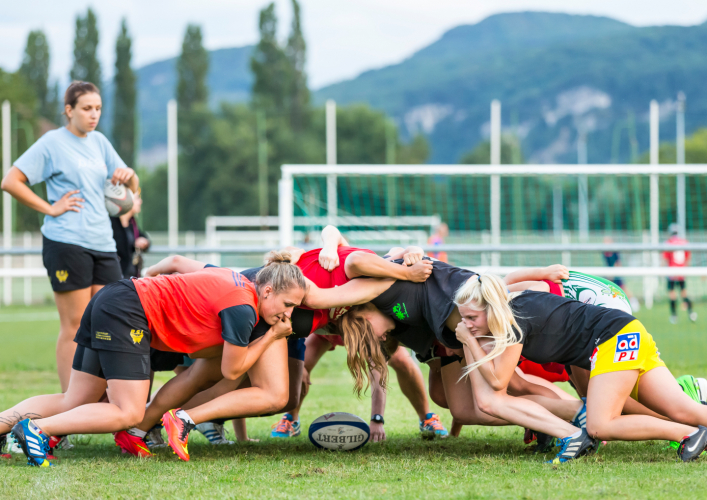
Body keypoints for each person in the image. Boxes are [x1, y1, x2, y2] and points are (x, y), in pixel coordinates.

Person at [1, 252, 306, 467]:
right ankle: (37, 431)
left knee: (75, 399)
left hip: (115, 298)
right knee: (128, 412)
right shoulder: (243, 309)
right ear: (267, 291)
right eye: (288, 305)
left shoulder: (235, 278)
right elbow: (232, 370)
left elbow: (175, 267)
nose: (288, 314)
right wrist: (272, 336)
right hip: (127, 312)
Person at [453, 274, 707, 463]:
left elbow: (498, 382)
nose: (467, 324)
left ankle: (687, 434)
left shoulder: (513, 322)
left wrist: (469, 341)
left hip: (613, 341)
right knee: (683, 409)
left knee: (599, 426)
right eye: (463, 318)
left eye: (472, 318)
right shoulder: (518, 299)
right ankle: (692, 430)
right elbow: (538, 285)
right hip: (628, 331)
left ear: (492, 308)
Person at [1, 81, 138, 396]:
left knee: (107, 324)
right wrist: (50, 207)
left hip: (104, 244)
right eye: (87, 108)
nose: (94, 115)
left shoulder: (100, 143)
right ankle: (70, 406)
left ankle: (104, 403)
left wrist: (129, 176)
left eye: (98, 109)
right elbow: (10, 181)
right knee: (75, 325)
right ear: (69, 110)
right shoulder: (52, 143)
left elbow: (132, 189)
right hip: (66, 243)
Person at [111, 188, 150, 278]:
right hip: (116, 277)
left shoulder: (132, 223)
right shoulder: (112, 223)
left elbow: (144, 238)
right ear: (126, 201)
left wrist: (144, 242)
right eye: (137, 198)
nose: (140, 201)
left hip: (130, 276)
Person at [663, 223, 696, 324]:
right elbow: (688, 257)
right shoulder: (684, 242)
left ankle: (674, 316)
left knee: (672, 294)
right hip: (682, 272)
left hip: (672, 272)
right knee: (684, 293)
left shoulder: (668, 243)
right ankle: (691, 313)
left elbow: (665, 259)